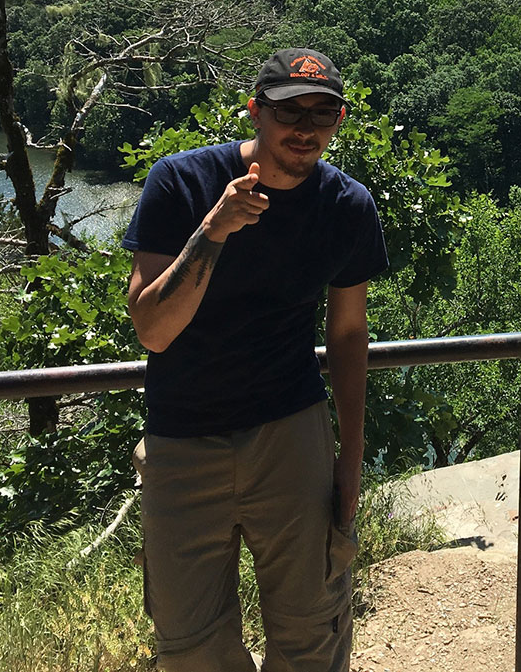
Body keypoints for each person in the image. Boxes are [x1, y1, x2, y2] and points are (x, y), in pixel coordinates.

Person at [122, 47, 387, 672]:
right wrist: (212, 231)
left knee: (311, 633)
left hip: (290, 432)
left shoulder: (347, 206)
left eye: (325, 115)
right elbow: (153, 331)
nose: (307, 129)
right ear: (255, 113)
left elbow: (348, 335)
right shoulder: (181, 183)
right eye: (291, 111)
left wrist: (350, 458)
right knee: (190, 646)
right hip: (183, 437)